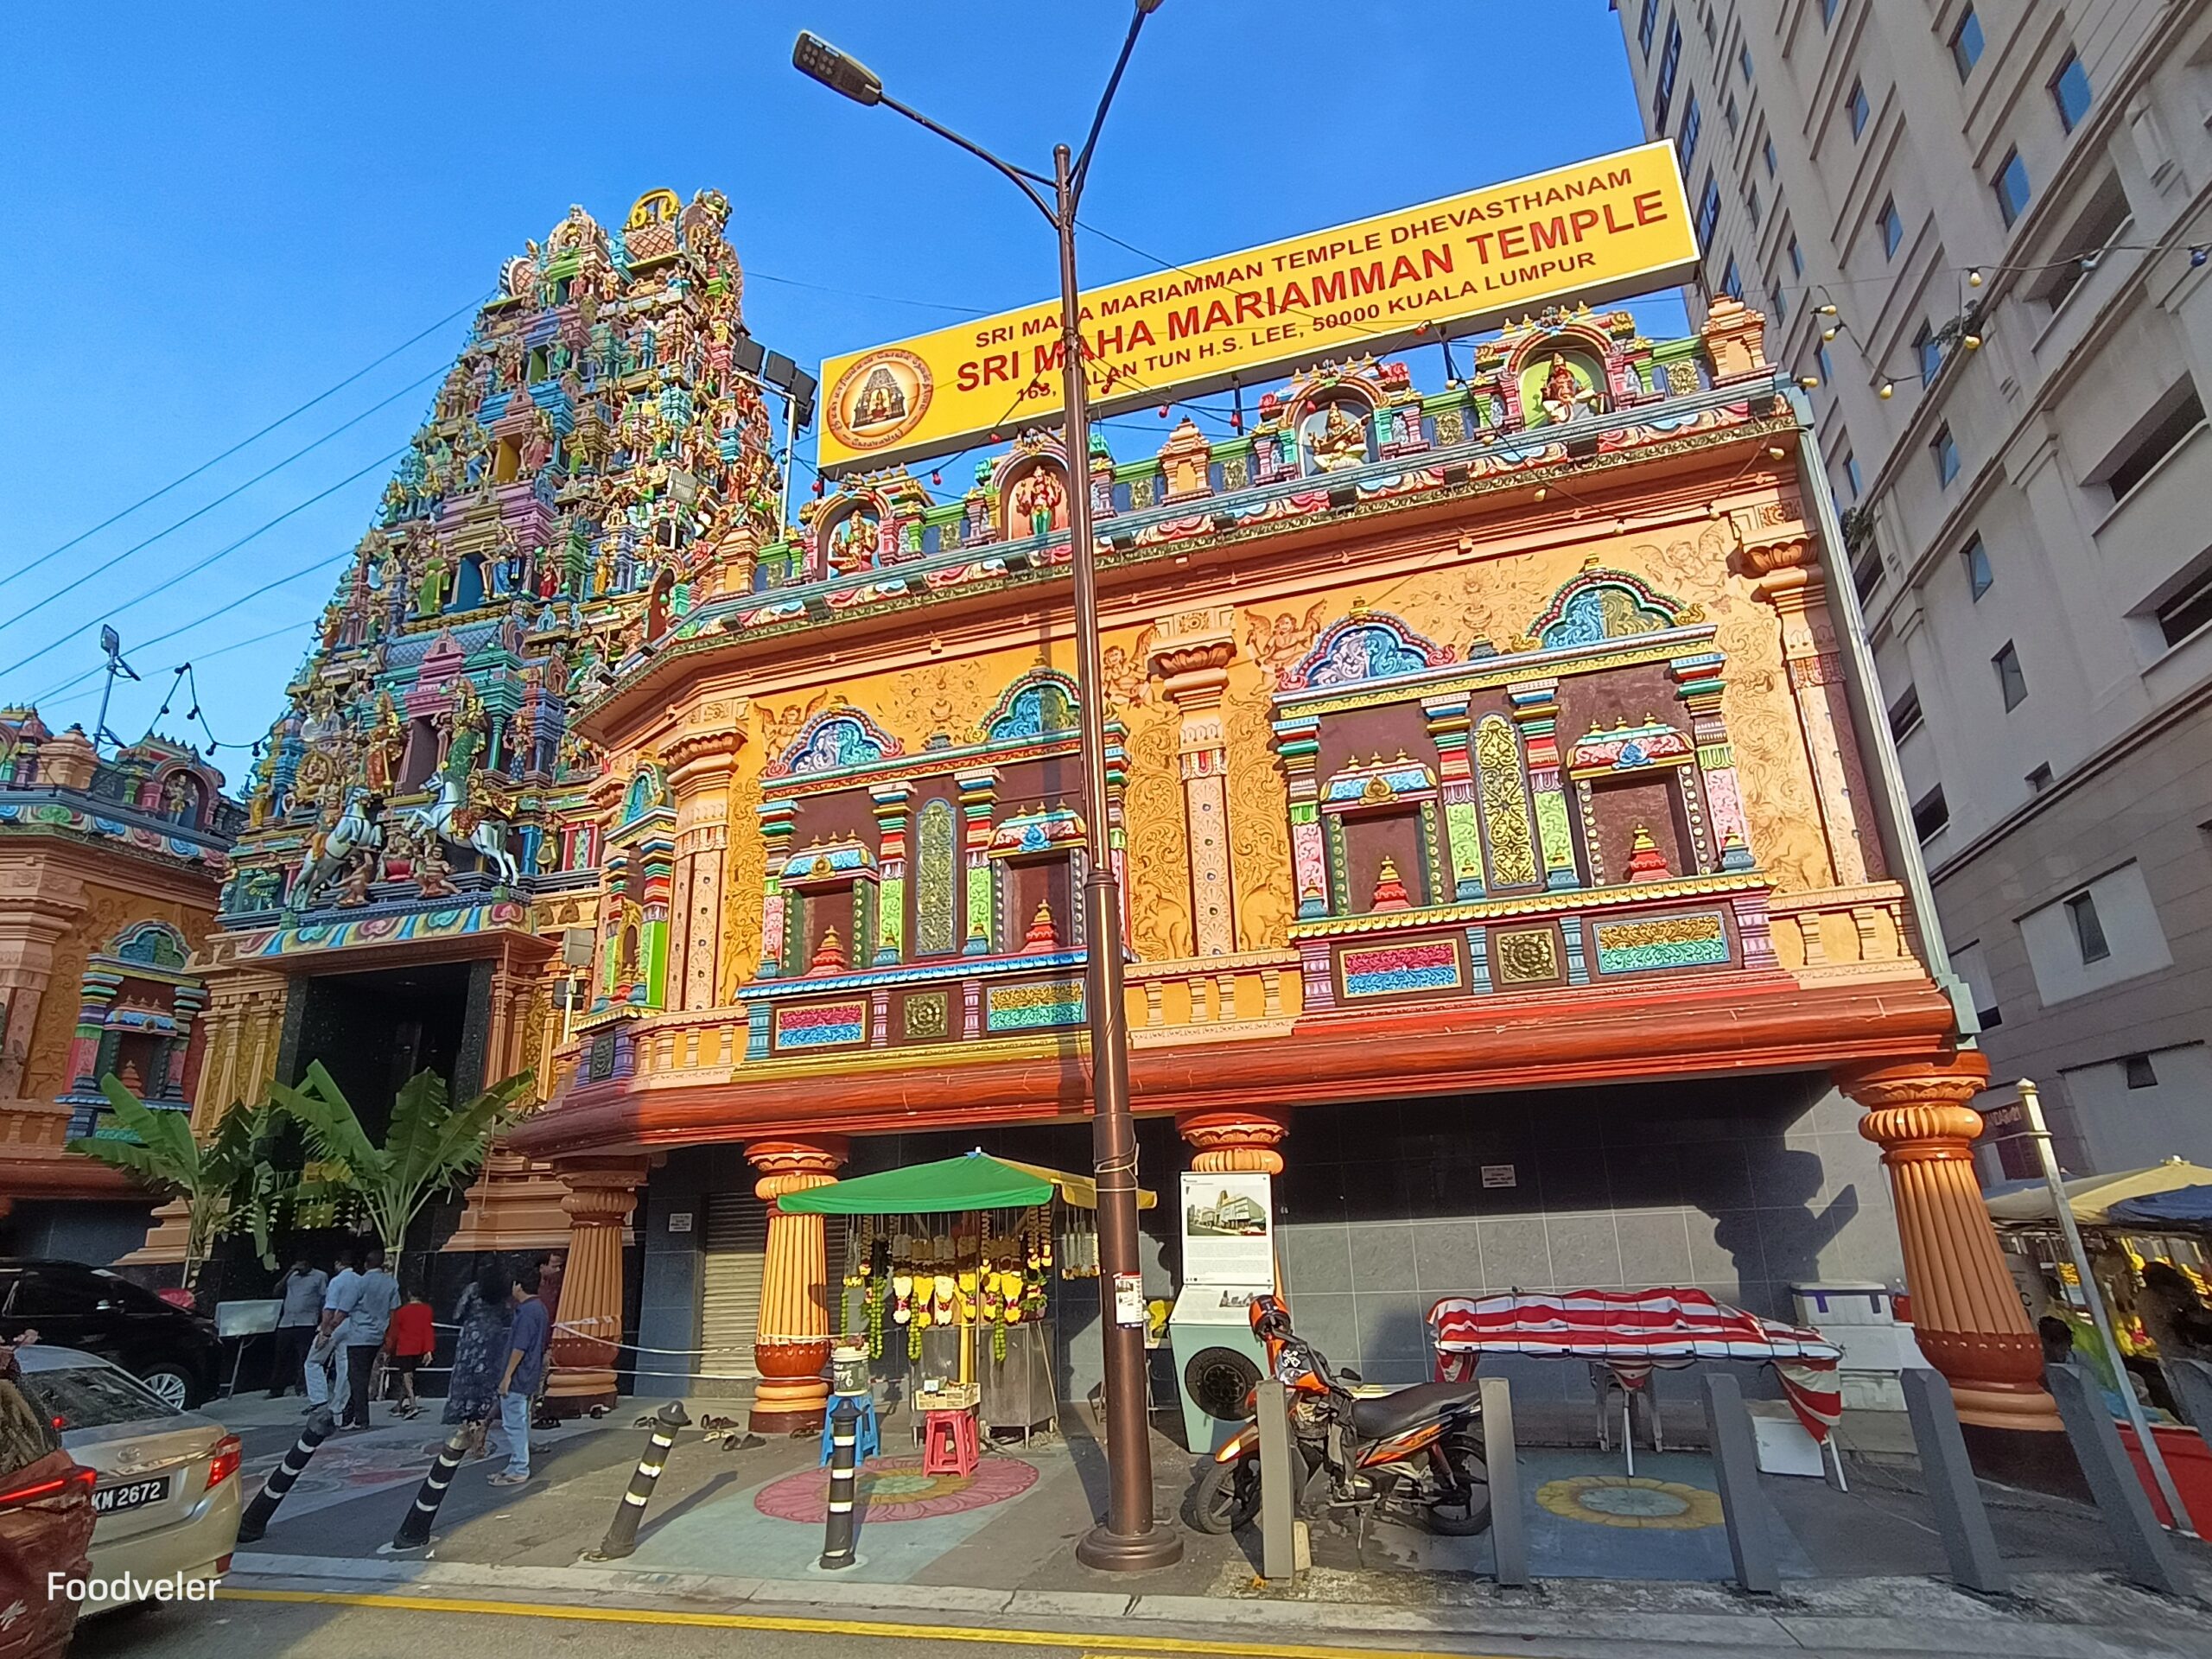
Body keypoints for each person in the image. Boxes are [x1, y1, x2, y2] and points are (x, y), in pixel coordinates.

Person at [444, 1263, 514, 1459]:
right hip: (493, 1343)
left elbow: (457, 1314)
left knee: (468, 1389)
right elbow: (508, 1316)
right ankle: (481, 1435)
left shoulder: (473, 1289)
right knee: (488, 1390)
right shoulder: (502, 1294)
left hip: (470, 1344)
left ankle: (467, 1431)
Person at [490, 1261, 550, 1488]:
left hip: (519, 1376)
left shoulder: (526, 1312)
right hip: (530, 1374)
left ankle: (519, 1467)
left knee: (514, 1423)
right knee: (520, 1421)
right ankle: (514, 1464)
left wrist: (506, 1377)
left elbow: (520, 1347)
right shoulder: (540, 1308)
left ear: (518, 1286)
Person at [330, 1245, 402, 1430]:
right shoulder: (391, 1283)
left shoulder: (359, 1283)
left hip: (358, 1336)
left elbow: (343, 1310)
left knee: (357, 1379)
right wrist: (390, 1337)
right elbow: (394, 1312)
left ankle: (361, 1419)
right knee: (362, 1375)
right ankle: (349, 1415)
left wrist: (329, 1328)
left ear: (365, 1264)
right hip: (378, 1335)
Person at [269, 1257, 327, 1399]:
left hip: (307, 1321)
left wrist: (322, 1321)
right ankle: (276, 1388)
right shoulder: (292, 1276)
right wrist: (289, 1272)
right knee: (281, 1356)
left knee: (304, 1357)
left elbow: (324, 1298)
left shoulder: (319, 1276)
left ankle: (301, 1387)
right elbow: (277, 1291)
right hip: (287, 1322)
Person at [311, 1247, 360, 1412]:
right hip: (353, 1324)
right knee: (344, 1365)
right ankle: (338, 1405)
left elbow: (329, 1309)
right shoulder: (360, 1280)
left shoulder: (337, 1281)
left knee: (313, 1361)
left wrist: (324, 1332)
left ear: (338, 1264)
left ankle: (319, 1399)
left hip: (336, 1323)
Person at [384, 1282, 435, 1420]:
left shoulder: (401, 1312)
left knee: (406, 1377)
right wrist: (428, 1350)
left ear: (409, 1294)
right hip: (419, 1348)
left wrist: (388, 1349)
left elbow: (394, 1333)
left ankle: (413, 1405)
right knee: (407, 1376)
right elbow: (428, 1330)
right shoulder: (427, 1310)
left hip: (405, 1347)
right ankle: (399, 1405)